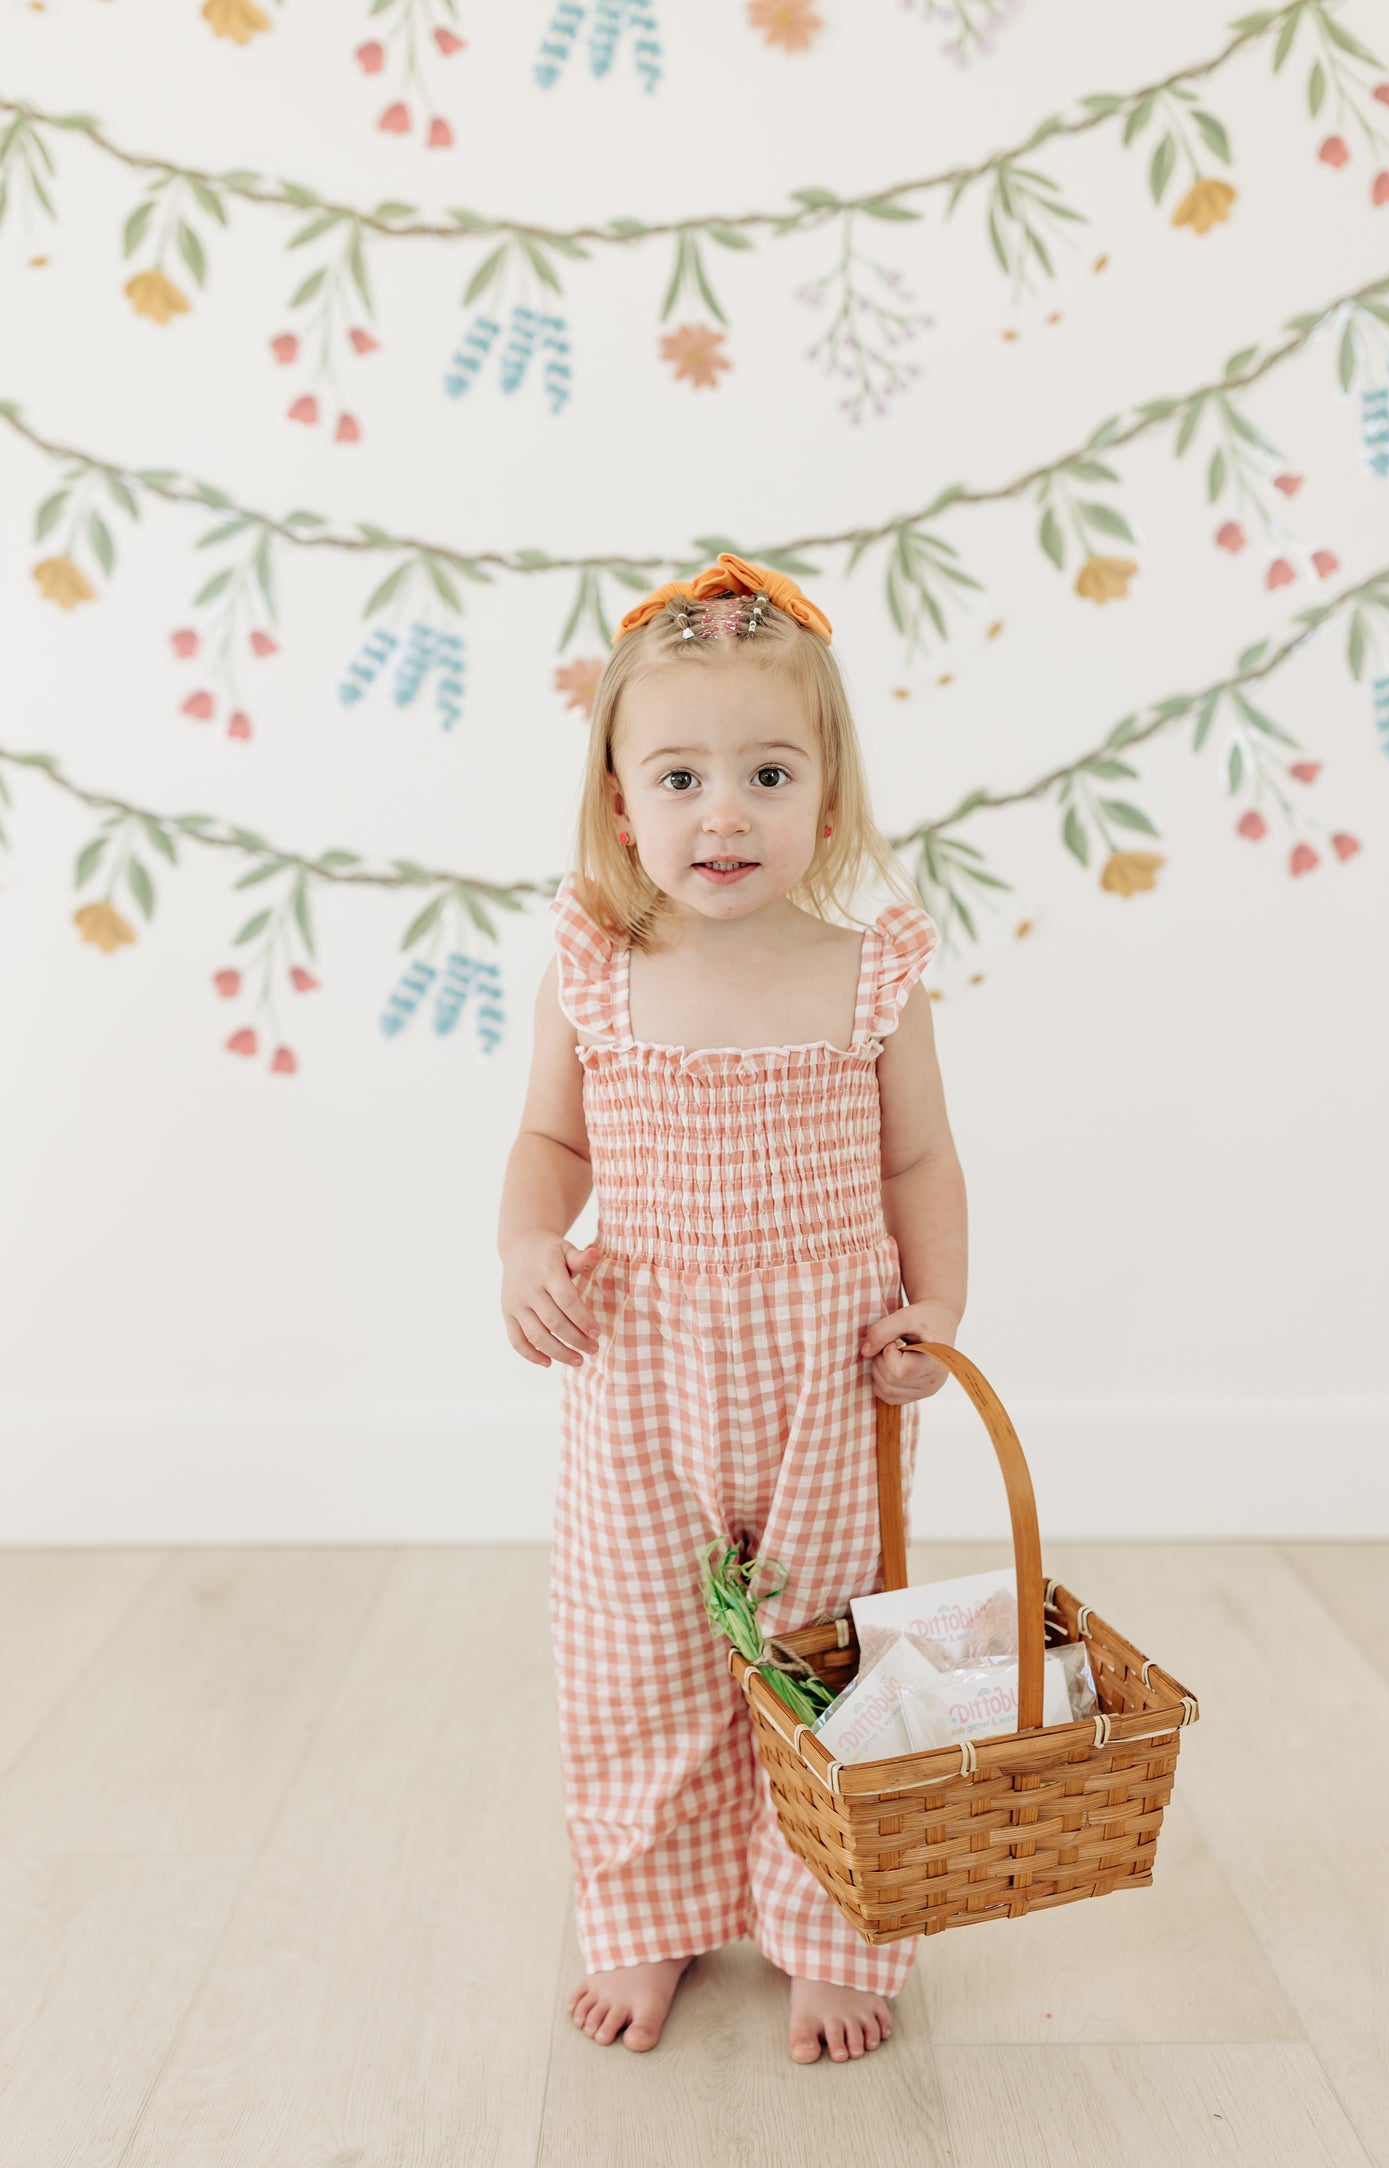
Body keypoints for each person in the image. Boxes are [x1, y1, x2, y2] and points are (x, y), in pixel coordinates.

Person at [497, 555, 969, 2065]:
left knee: (832, 1651)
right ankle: (651, 1920)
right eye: (680, 775)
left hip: (830, 1368)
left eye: (767, 773)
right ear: (619, 803)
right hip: (639, 1365)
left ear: (824, 802)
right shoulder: (598, 963)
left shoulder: (869, 970)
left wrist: (936, 1311)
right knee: (640, 1654)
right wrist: (524, 1242)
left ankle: (834, 1927)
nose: (723, 813)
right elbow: (551, 1144)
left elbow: (918, 1156)